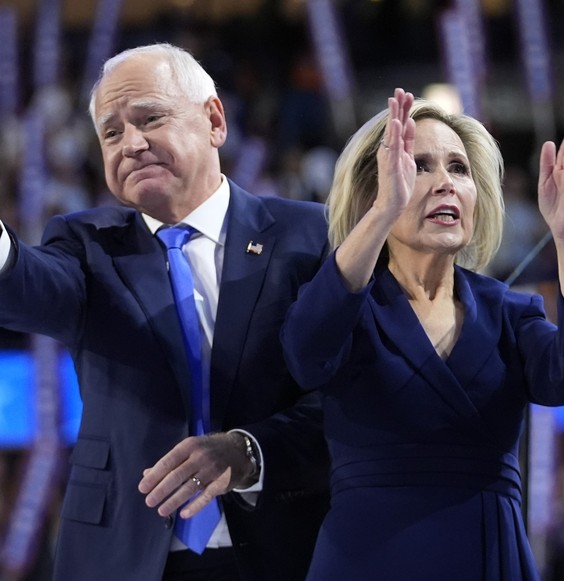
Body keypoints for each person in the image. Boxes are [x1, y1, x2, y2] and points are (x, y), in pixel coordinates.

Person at [0, 43, 330, 581]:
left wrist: (250, 451)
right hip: (122, 558)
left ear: (214, 120)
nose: (130, 143)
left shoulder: (310, 235)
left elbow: (347, 396)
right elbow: (29, 288)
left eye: (150, 118)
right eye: (110, 132)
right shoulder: (86, 245)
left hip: (287, 549)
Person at [280, 87, 564, 580]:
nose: (445, 183)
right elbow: (306, 354)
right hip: (367, 557)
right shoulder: (345, 303)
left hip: (489, 555)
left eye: (459, 169)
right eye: (419, 165)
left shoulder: (511, 312)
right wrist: (382, 211)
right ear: (372, 188)